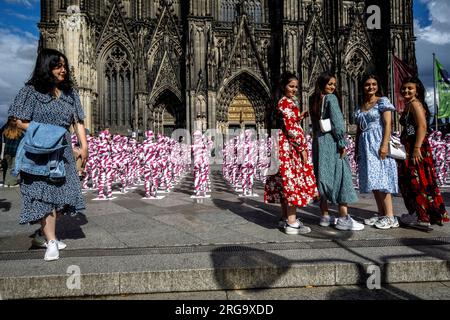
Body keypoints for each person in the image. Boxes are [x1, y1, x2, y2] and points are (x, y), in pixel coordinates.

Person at [8, 48, 88, 261]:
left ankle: (41, 233)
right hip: (38, 152)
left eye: (64, 65)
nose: (63, 70)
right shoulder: (31, 91)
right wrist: (48, 131)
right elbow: (16, 119)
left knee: (66, 197)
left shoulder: (70, 93)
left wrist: (84, 146)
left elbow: (78, 121)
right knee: (43, 197)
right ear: (46, 67)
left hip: (62, 152)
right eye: (57, 66)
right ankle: (51, 242)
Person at [264, 72, 318, 235]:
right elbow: (291, 130)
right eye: (291, 86)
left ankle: (285, 217)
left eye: (296, 87)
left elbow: (286, 124)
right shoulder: (286, 103)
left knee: (284, 183)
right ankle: (292, 223)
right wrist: (302, 149)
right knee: (292, 182)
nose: (294, 89)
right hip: (289, 149)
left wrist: (298, 117)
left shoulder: (280, 103)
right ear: (283, 86)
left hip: (280, 147)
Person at [309, 72, 364, 231]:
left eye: (334, 84)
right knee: (341, 176)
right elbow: (337, 123)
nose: (333, 87)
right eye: (329, 84)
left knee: (322, 176)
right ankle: (343, 218)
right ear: (322, 84)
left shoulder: (314, 99)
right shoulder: (331, 99)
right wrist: (341, 142)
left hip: (318, 141)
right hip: (332, 142)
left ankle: (325, 216)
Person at [397, 77, 449, 228]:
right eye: (404, 88)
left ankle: (423, 216)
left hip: (415, 146)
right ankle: (421, 213)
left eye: (410, 88)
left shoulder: (415, 104)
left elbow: (422, 126)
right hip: (411, 145)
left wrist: (416, 149)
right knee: (415, 180)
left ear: (417, 90)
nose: (406, 90)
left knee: (416, 181)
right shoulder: (410, 104)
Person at [354, 74, 399, 229]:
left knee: (382, 179)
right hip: (365, 145)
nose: (371, 87)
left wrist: (384, 145)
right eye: (367, 84)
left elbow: (388, 124)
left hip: (378, 141)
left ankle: (391, 216)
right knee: (374, 180)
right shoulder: (361, 106)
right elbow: (359, 130)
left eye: (374, 84)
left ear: (377, 86)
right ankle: (381, 214)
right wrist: (356, 149)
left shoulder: (382, 102)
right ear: (363, 87)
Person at [1, 118, 25, 187]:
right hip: (15, 152)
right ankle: (11, 183)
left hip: (6, 152)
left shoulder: (6, 132)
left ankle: (6, 182)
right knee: (13, 167)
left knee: (6, 166)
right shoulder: (20, 133)